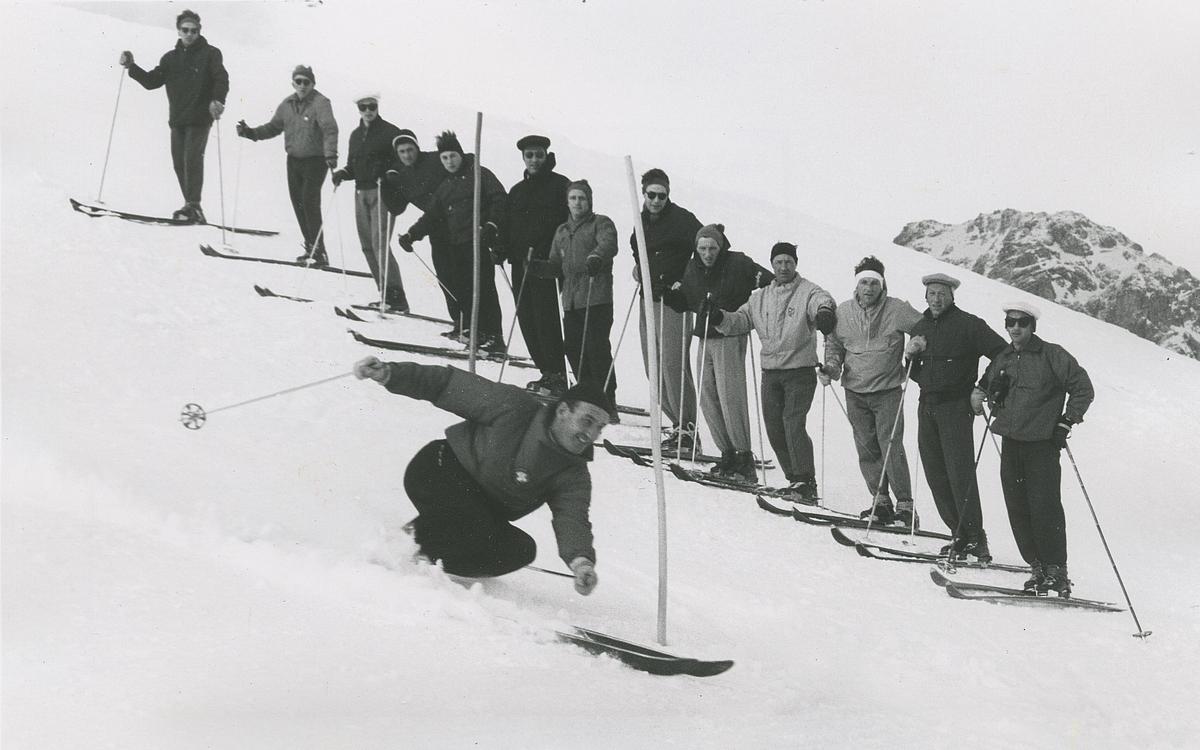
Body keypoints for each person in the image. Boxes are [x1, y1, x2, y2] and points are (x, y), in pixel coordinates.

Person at [353, 355, 607, 594]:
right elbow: (446, 385)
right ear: (563, 410)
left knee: (520, 550)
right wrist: (389, 373)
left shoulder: (574, 474)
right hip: (439, 470)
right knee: (471, 520)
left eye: (599, 428)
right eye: (587, 421)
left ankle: (425, 564)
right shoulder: (516, 408)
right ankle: (393, 549)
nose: (592, 434)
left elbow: (573, 519)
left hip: (478, 512)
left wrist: (581, 562)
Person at [973, 302, 1094, 596]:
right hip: (1011, 440)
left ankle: (1057, 571)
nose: (1015, 328)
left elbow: (1083, 388)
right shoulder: (1003, 356)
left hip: (1042, 443)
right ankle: (1037, 568)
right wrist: (980, 393)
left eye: (1022, 322)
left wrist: (1066, 422)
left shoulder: (1052, 354)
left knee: (1044, 507)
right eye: (1011, 322)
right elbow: (987, 383)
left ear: (1032, 326)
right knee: (1017, 506)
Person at [709, 242, 835, 502]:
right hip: (771, 372)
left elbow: (822, 301)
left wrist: (824, 313)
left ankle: (805, 480)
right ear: (772, 265)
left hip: (799, 370)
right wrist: (719, 317)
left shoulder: (807, 291)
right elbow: (741, 320)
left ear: (796, 263)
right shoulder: (760, 297)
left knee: (792, 422)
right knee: (774, 426)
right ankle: (795, 480)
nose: (784, 267)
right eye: (778, 262)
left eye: (789, 261)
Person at [905, 272, 1007, 561]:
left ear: (952, 296)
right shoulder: (920, 326)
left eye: (942, 294)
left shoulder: (969, 325)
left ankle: (976, 538)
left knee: (959, 472)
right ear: (925, 296)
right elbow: (914, 374)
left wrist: (983, 387)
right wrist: (910, 354)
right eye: (932, 294)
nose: (936, 299)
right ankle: (959, 535)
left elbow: (1002, 353)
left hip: (955, 408)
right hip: (926, 406)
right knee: (935, 472)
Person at [821, 256, 925, 526]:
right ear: (856, 285)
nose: (868, 288)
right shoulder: (842, 312)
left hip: (888, 389)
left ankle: (905, 507)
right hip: (854, 391)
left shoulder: (897, 309)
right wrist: (830, 369)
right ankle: (881, 504)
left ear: (882, 284)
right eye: (864, 282)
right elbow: (834, 346)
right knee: (866, 448)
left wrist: (915, 346)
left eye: (874, 283)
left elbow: (925, 329)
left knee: (890, 446)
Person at [398, 131, 508, 353]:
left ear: (460, 155)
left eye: (453, 156)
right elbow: (431, 215)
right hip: (457, 244)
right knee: (464, 290)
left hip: (477, 241)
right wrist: (412, 234)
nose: (449, 162)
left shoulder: (479, 174)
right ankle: (474, 332)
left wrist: (491, 225)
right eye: (444, 158)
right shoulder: (446, 185)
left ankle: (495, 337)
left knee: (484, 289)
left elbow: (499, 199)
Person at [120, 9, 228, 224]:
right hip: (177, 119)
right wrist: (131, 66)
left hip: (199, 117)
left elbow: (221, 78)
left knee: (191, 159)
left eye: (194, 31)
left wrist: (218, 100)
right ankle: (192, 207)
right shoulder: (170, 59)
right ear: (178, 31)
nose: (190, 34)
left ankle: (193, 206)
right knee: (179, 163)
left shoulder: (210, 54)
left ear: (199, 31)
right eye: (185, 30)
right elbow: (152, 82)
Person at [685, 225, 773, 483]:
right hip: (704, 334)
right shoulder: (694, 267)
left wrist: (751, 309)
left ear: (721, 246)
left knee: (729, 395)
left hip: (730, 334)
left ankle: (743, 456)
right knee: (707, 395)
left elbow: (769, 282)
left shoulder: (738, 262)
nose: (708, 253)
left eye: (713, 248)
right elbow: (688, 295)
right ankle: (727, 453)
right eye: (702, 248)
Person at [630, 169, 703, 452]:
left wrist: (686, 281)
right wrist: (639, 268)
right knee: (654, 365)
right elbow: (637, 251)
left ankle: (688, 429)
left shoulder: (682, 220)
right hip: (648, 299)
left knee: (674, 364)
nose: (657, 200)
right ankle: (677, 425)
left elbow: (710, 247)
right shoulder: (640, 223)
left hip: (674, 302)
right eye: (652, 195)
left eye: (662, 195)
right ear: (644, 194)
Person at [236, 65, 338, 267]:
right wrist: (250, 133)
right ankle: (311, 247)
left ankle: (320, 251)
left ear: (313, 83)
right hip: (293, 161)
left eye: (306, 82)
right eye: (298, 81)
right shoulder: (287, 104)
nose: (302, 85)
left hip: (316, 160)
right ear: (293, 83)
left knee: (309, 201)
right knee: (298, 202)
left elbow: (330, 129)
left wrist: (331, 154)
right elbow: (273, 127)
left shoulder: (321, 103)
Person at [546, 180, 620, 422]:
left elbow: (608, 244)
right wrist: (539, 268)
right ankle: (588, 396)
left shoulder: (600, 223)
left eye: (582, 198)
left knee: (596, 348)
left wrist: (597, 257)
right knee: (574, 348)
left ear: (589, 201)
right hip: (571, 300)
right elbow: (555, 263)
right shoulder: (562, 231)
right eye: (573, 198)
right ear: (567, 202)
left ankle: (607, 398)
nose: (578, 203)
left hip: (596, 297)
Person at [504, 135, 571, 396]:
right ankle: (546, 372)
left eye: (539, 155)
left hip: (546, 264)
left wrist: (554, 255)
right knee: (527, 319)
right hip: (521, 263)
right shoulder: (517, 191)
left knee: (546, 320)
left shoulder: (560, 185)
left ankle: (557, 375)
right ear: (523, 157)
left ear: (547, 156)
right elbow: (509, 224)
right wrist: (501, 247)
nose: (534, 160)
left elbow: (568, 223)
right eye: (529, 155)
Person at [330, 94, 406, 311]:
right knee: (367, 246)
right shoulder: (355, 135)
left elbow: (400, 161)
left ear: (377, 106)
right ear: (358, 108)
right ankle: (385, 295)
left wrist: (390, 173)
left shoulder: (390, 131)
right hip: (360, 192)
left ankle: (397, 297)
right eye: (363, 107)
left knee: (380, 244)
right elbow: (352, 165)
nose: (368, 110)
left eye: (372, 106)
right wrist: (343, 173)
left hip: (382, 192)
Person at [383, 131, 455, 331]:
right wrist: (388, 186)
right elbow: (396, 208)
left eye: (410, 150)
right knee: (445, 278)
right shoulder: (401, 173)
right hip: (435, 227)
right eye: (402, 152)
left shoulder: (434, 160)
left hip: (458, 224)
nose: (407, 155)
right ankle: (461, 325)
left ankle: (483, 330)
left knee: (463, 278)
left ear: (417, 148)